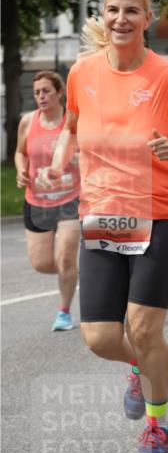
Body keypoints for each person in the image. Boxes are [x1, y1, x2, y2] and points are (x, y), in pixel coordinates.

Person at [47, 0, 168, 453]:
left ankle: (156, 427)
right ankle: (138, 367)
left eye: (131, 11)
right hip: (101, 216)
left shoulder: (165, 76)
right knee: (100, 337)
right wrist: (58, 163)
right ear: (103, 15)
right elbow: (72, 128)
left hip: (158, 217)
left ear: (148, 19)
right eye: (113, 10)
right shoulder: (82, 72)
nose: (120, 19)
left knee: (143, 328)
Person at [15, 70, 81, 332]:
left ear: (60, 93)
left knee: (65, 257)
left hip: (70, 199)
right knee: (41, 263)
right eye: (36, 92)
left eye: (46, 91)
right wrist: (21, 170)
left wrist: (73, 158)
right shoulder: (28, 122)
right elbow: (20, 152)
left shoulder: (73, 122)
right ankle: (73, 272)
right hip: (37, 200)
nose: (41, 96)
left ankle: (64, 312)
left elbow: (92, 155)